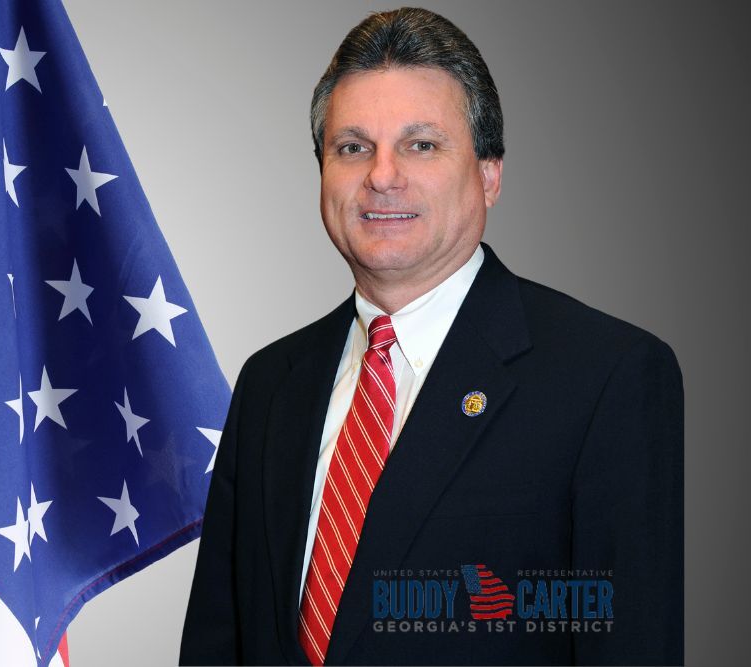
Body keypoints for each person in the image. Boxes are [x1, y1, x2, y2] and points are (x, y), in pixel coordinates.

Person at [180, 7, 683, 666]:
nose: (382, 175)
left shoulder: (606, 377)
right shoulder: (271, 382)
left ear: (489, 174)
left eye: (421, 144)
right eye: (353, 147)